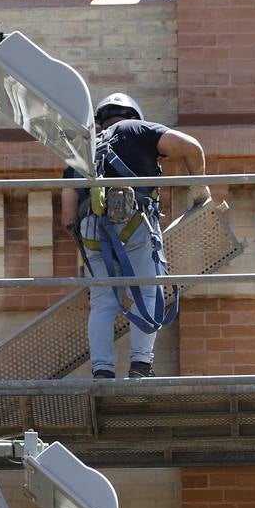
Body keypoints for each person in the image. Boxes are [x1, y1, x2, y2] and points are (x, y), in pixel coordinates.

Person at [61, 93, 209, 380]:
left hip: (93, 231)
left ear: (101, 120)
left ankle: (102, 370)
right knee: (147, 291)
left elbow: (67, 215)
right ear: (133, 116)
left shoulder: (83, 146)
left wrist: (89, 249)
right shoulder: (139, 130)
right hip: (136, 223)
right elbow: (191, 148)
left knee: (103, 301)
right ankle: (141, 366)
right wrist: (200, 188)